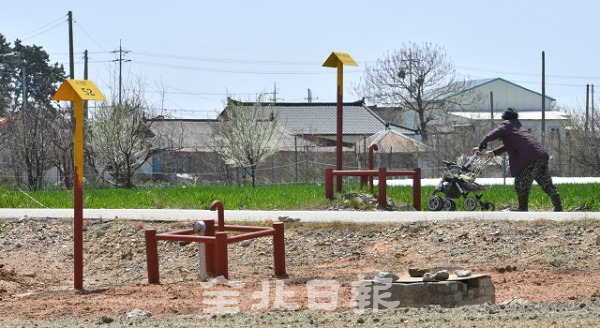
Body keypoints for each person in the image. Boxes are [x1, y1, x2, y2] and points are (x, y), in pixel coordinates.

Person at [471, 107, 563, 211]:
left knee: (521, 182)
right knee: (546, 182)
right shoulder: (519, 127)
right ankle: (558, 206)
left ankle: (523, 207)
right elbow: (509, 145)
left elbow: (492, 134)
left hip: (530, 158)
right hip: (541, 155)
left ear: (503, 118)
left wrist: (481, 146)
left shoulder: (506, 125)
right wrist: (494, 152)